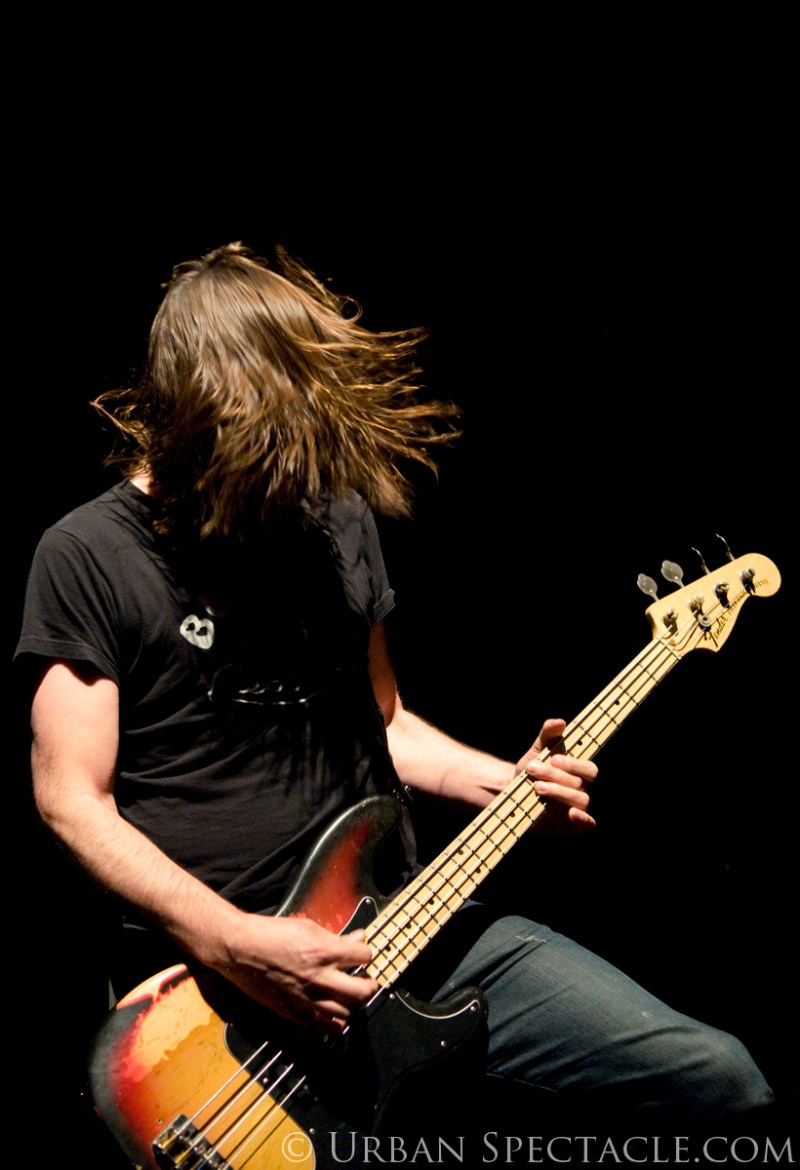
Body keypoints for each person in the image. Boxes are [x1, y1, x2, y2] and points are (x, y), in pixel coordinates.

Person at [17, 243, 772, 1150]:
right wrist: (234, 943)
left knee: (721, 1081)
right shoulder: (88, 554)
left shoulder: (330, 519)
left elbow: (387, 723)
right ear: (200, 409)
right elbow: (70, 798)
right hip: (218, 1007)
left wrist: (505, 785)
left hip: (403, 925)